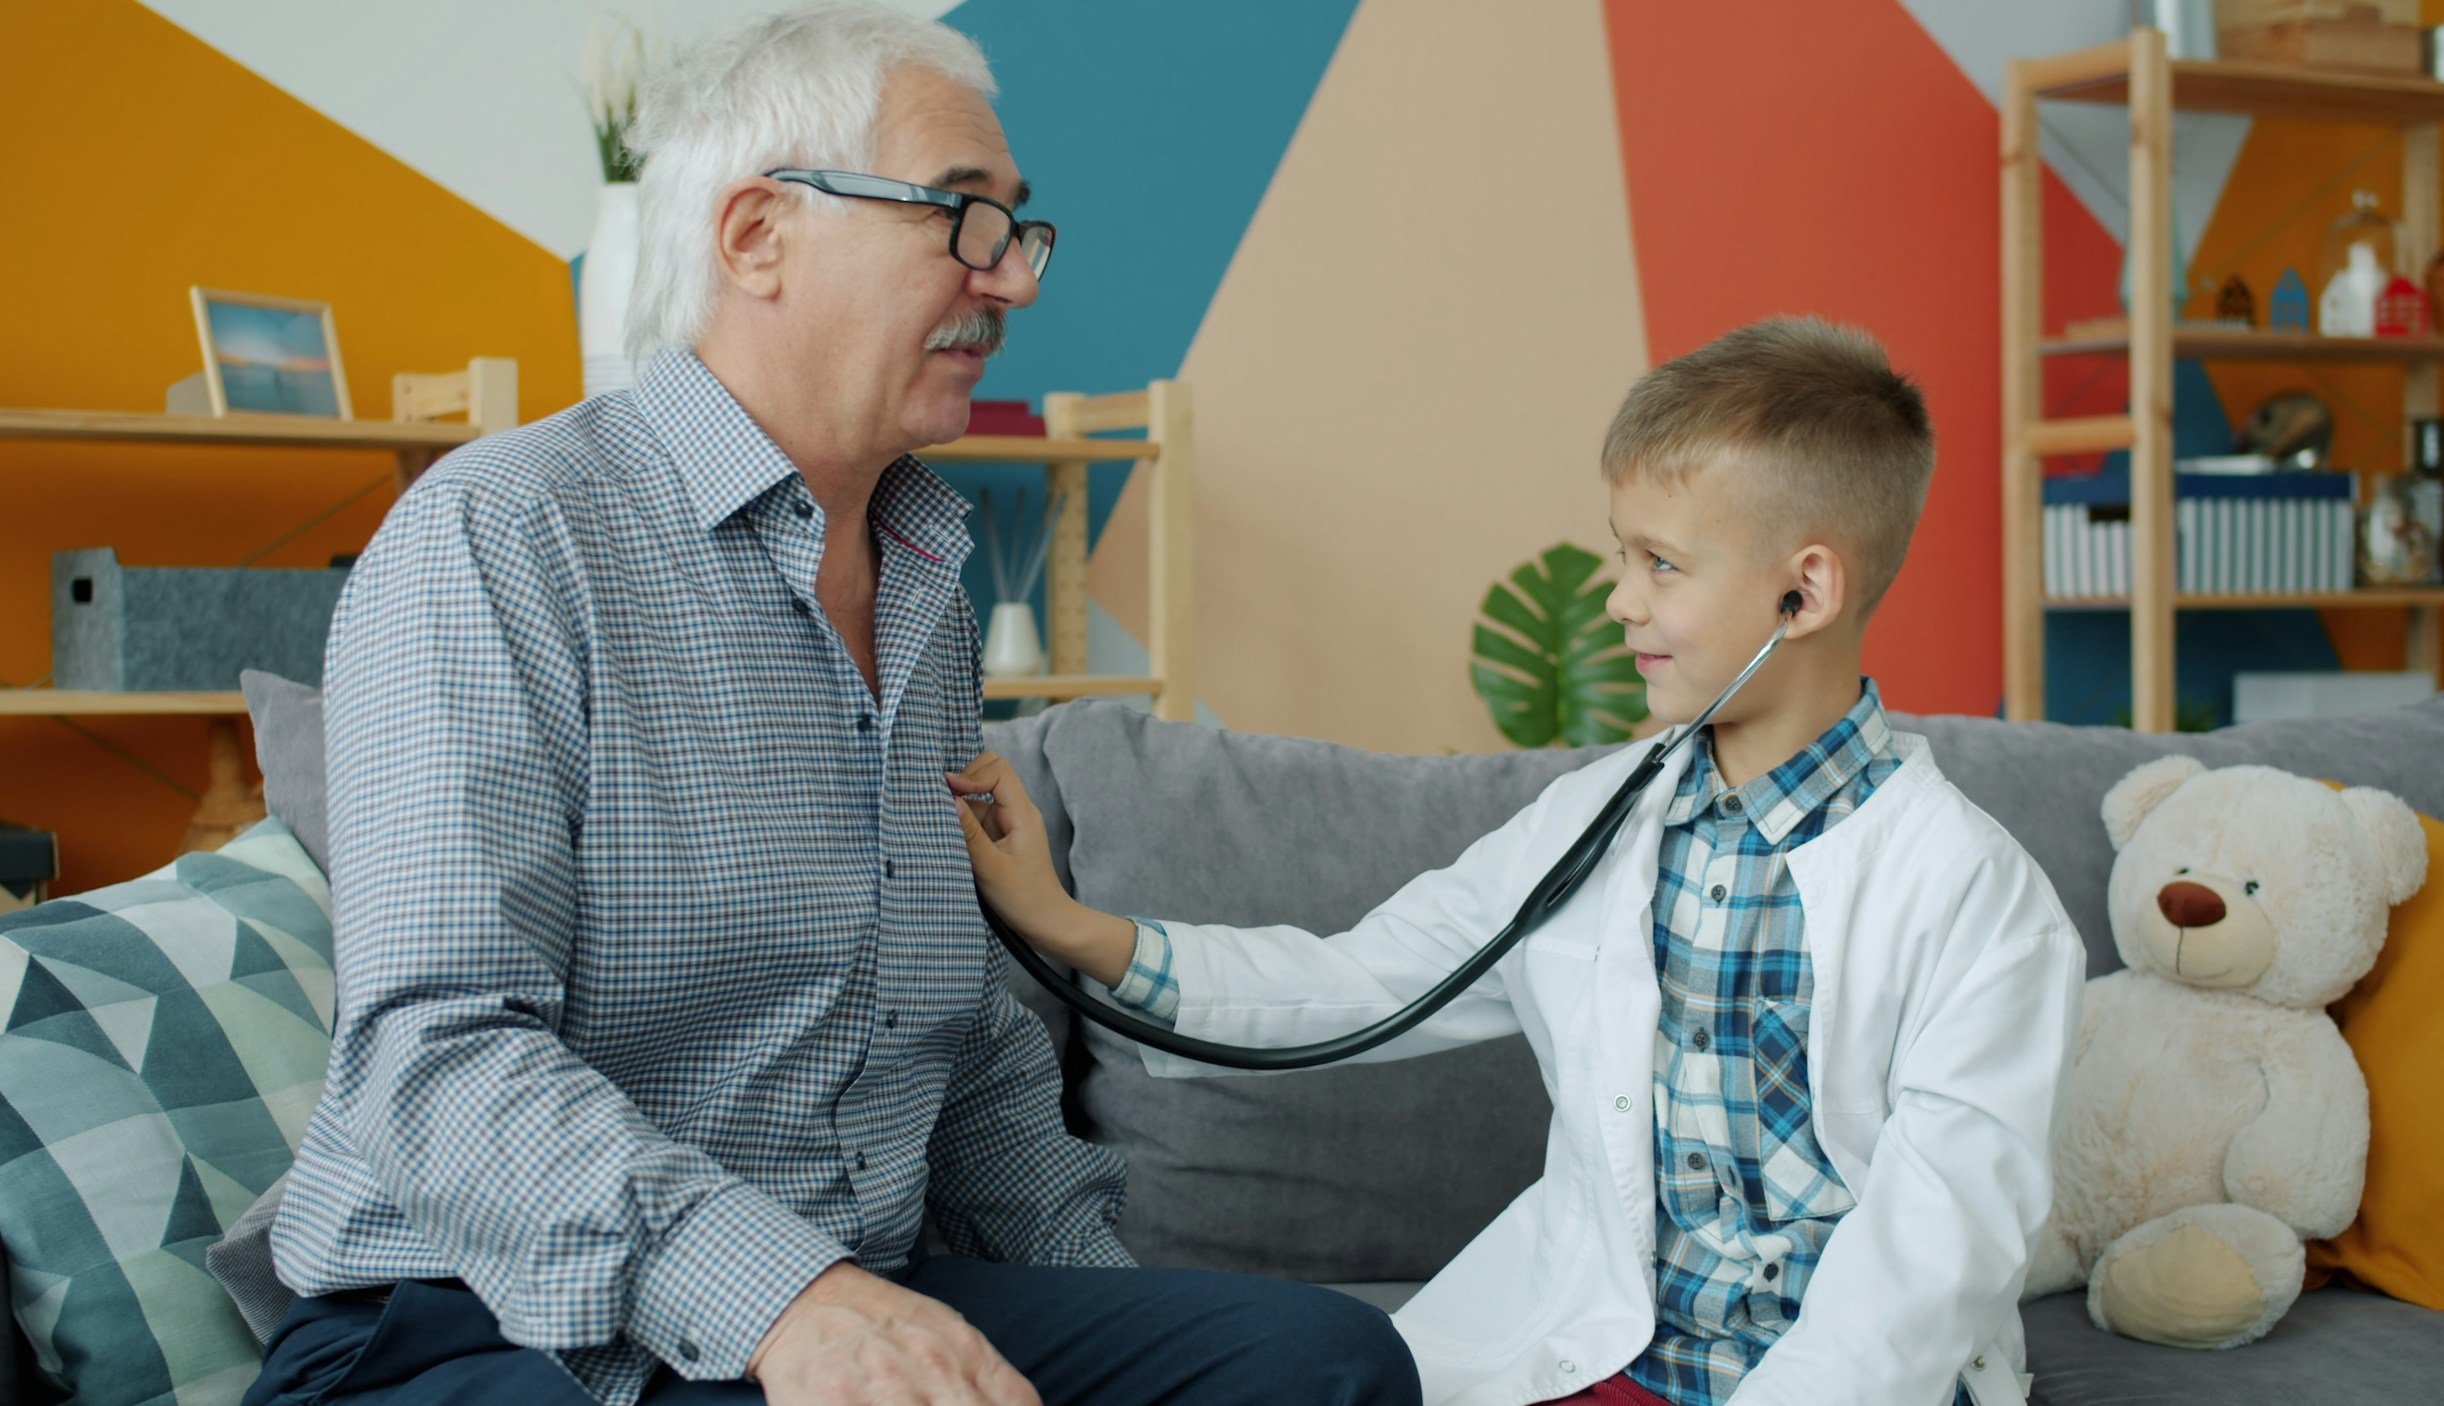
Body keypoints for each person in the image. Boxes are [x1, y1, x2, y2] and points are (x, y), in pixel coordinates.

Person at [240, 5, 1420, 1405]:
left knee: (1322, 1361)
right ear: (758, 236)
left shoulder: (922, 577)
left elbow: (957, 1040)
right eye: (962, 217)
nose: (1012, 279)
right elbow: (437, 1054)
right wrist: (786, 1299)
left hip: (850, 1290)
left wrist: (1108, 1307)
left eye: (1016, 229)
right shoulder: (503, 533)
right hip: (479, 1318)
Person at [957, 318, 2088, 1406]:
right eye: (1622, 553)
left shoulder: (1977, 900)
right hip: (1610, 1363)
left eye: (1661, 564)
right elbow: (1361, 981)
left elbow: (1928, 1258)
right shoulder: (1592, 821)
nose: (1621, 598)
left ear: (1807, 591)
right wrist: (1068, 924)